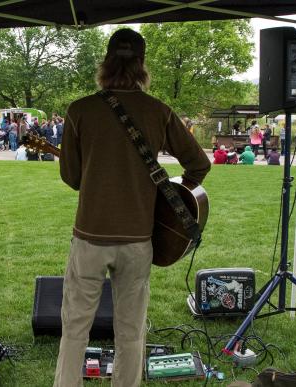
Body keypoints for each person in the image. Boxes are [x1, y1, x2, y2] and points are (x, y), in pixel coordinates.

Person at [55, 29, 210, 387]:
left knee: (76, 327)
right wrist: (171, 198)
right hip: (139, 238)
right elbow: (199, 164)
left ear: (105, 63)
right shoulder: (158, 111)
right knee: (131, 330)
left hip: (90, 237)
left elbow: (72, 178)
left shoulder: (80, 110)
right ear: (142, 66)